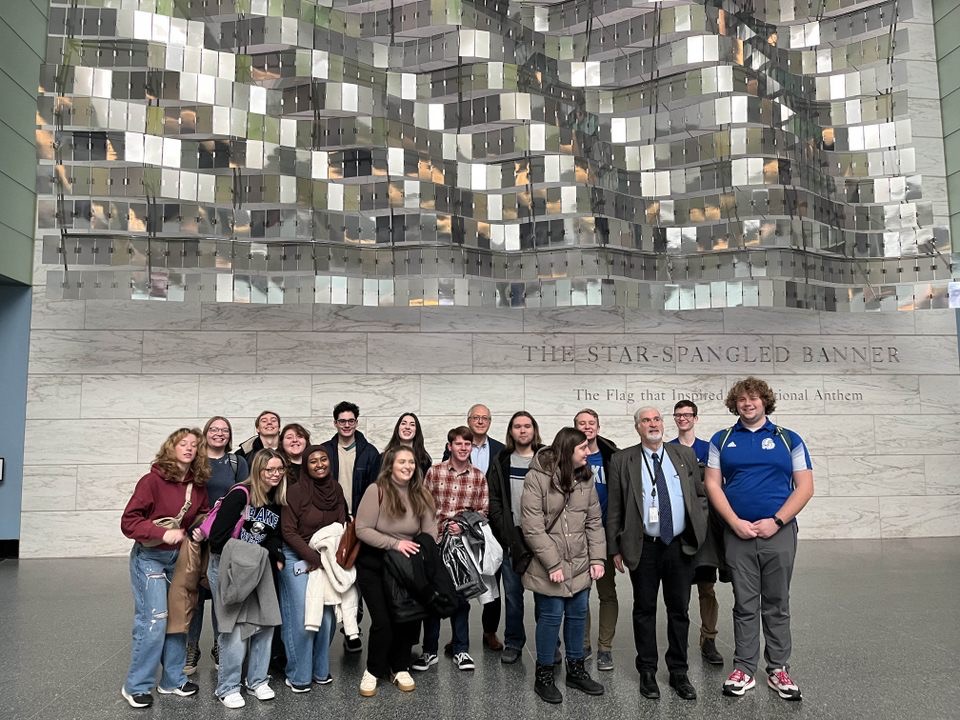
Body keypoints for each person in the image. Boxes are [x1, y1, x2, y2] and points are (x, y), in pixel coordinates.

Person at [704, 377, 814, 701]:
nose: (747, 404)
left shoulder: (788, 438)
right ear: (734, 404)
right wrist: (734, 522)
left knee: (777, 602)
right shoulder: (721, 439)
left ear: (765, 401)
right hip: (737, 533)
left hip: (779, 533)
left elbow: (805, 487)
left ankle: (778, 668)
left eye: (753, 398)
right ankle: (744, 668)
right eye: (741, 399)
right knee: (745, 602)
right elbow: (712, 485)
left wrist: (777, 521)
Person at [606, 407, 708, 701]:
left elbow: (699, 495)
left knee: (679, 610)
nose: (653, 424)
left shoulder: (683, 454)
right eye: (646, 420)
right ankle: (647, 671)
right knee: (644, 609)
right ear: (637, 427)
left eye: (657, 419)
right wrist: (615, 547)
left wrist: (698, 529)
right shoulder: (622, 459)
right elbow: (615, 506)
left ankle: (679, 672)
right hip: (644, 546)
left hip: (679, 545)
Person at [119, 428, 211, 708]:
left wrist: (202, 528)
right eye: (183, 443)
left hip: (179, 559)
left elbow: (201, 514)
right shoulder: (152, 481)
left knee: (178, 620)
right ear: (171, 448)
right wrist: (162, 533)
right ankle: (136, 686)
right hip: (149, 557)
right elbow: (129, 522)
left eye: (194, 445)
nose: (189, 448)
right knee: (154, 620)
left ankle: (172, 680)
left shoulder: (197, 485)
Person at [521, 427, 606, 704]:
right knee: (551, 616)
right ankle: (544, 675)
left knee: (578, 615)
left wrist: (597, 558)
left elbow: (594, 521)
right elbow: (532, 526)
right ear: (568, 450)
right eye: (583, 448)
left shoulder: (586, 477)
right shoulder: (537, 476)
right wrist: (553, 563)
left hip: (580, 562)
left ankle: (576, 671)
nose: (588, 452)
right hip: (549, 564)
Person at [354, 447, 437, 697]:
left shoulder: (422, 494)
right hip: (374, 565)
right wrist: (395, 543)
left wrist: (420, 552)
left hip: (405, 567)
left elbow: (430, 532)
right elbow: (362, 529)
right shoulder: (376, 491)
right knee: (383, 621)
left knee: (406, 618)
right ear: (390, 465)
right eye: (402, 461)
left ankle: (399, 667)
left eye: (411, 462)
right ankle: (373, 670)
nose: (407, 466)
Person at [207, 449, 286, 708]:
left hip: (258, 566)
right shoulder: (240, 494)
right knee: (233, 628)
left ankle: (257, 681)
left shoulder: (275, 498)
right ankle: (228, 687)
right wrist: (251, 555)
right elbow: (217, 539)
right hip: (231, 566)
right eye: (269, 469)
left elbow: (272, 534)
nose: (275, 474)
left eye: (279, 469)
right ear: (258, 470)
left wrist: (275, 554)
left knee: (266, 623)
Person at [414, 426, 489, 673]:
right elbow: (422, 505)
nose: (463, 448)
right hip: (434, 543)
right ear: (450, 446)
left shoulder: (478, 476)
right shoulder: (434, 472)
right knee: (432, 597)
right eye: (459, 444)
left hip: (461, 546)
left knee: (461, 598)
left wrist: (463, 524)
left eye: (467, 444)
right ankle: (429, 651)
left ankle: (461, 650)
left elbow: (483, 511)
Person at [279, 445, 350, 692]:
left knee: (327, 617)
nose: (319, 464)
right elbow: (288, 531)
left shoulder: (336, 489)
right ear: (306, 466)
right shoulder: (295, 491)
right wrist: (312, 558)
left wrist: (328, 558)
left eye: (323, 459)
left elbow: (341, 524)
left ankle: (320, 670)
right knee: (302, 616)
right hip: (296, 555)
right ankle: (298, 675)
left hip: (325, 555)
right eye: (313, 461)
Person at [185, 416, 249, 677]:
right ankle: (191, 647)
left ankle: (219, 646)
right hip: (195, 535)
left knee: (220, 592)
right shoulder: (194, 460)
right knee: (195, 593)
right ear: (206, 433)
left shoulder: (237, 463)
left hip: (224, 536)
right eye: (214, 429)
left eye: (224, 430)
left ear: (229, 435)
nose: (219, 433)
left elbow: (245, 496)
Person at [443, 403, 506, 651]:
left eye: (485, 418)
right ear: (468, 420)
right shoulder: (456, 447)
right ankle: (458, 636)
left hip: (488, 526)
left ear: (490, 421)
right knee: (460, 581)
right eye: (476, 417)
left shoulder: (500, 450)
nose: (480, 421)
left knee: (491, 580)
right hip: (459, 529)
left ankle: (490, 631)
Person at [321, 401, 380, 654]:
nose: (347, 425)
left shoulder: (370, 453)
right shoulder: (324, 451)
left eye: (351, 421)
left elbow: (375, 489)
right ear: (335, 423)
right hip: (332, 522)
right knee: (336, 573)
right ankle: (339, 625)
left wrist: (364, 520)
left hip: (360, 522)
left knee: (357, 574)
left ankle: (352, 625)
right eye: (342, 421)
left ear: (356, 422)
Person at [668, 399, 724, 665]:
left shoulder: (709, 449)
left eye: (687, 414)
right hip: (679, 529)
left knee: (706, 586)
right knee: (680, 589)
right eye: (678, 415)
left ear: (695, 418)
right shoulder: (668, 449)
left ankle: (708, 638)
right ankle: (679, 642)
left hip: (706, 531)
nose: (683, 418)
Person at [486, 411, 543, 664]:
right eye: (517, 426)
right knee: (512, 596)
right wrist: (505, 531)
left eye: (527, 426)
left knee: (545, 597)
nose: (522, 430)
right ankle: (513, 642)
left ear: (534, 430)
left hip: (541, 538)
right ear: (511, 431)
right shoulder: (502, 459)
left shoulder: (547, 457)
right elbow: (494, 500)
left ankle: (549, 644)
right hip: (512, 538)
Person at [573, 409, 619, 670]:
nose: (587, 427)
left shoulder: (612, 455)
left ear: (598, 428)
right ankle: (583, 644)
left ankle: (605, 648)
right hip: (577, 536)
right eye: (582, 423)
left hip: (606, 534)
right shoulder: (568, 456)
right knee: (581, 592)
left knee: (607, 592)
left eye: (591, 423)